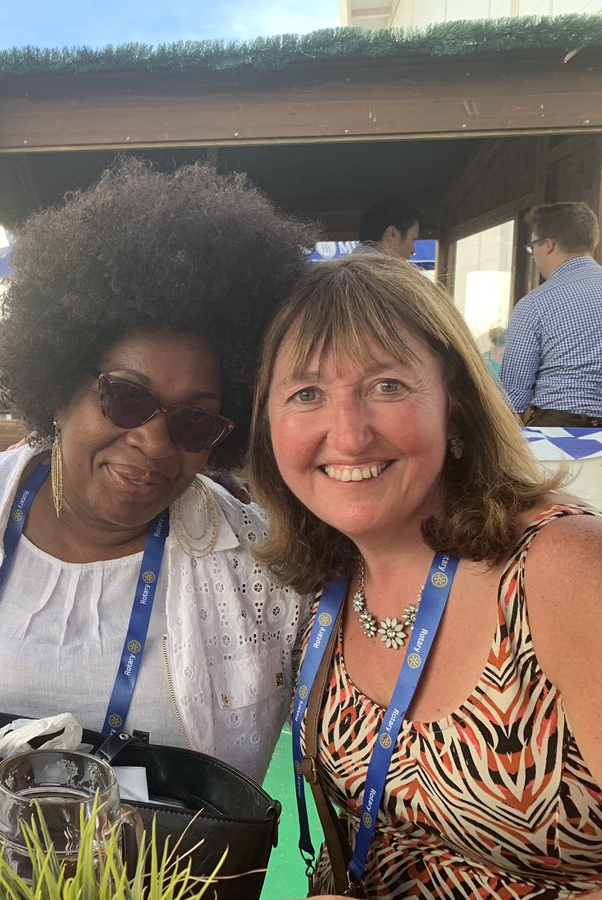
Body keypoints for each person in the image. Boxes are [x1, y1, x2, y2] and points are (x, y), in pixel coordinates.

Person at [0, 160, 314, 782]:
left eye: (194, 422)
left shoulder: (267, 567)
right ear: (57, 390)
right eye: (126, 398)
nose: (155, 442)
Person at [248, 253, 602, 896]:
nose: (349, 435)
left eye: (386, 385)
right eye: (306, 394)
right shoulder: (324, 582)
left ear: (456, 406)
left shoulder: (563, 570)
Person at [501, 201, 602, 428]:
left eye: (532, 247)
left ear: (547, 245)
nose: (534, 256)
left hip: (558, 430)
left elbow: (513, 396)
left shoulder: (534, 304)